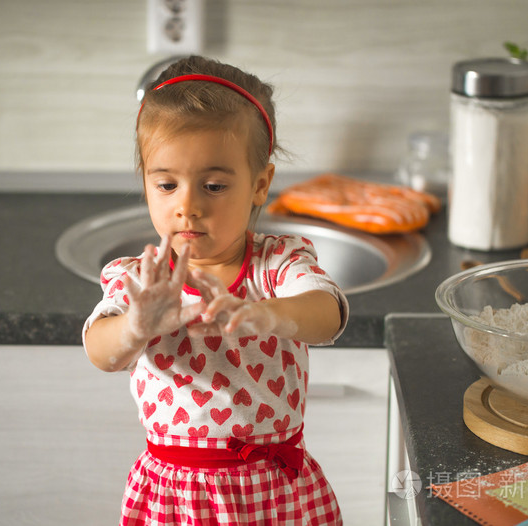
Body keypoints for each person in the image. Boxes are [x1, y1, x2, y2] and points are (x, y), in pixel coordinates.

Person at [83, 55, 349, 525]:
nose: (187, 206)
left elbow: (327, 313)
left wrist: (269, 315)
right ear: (145, 184)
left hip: (275, 493)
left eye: (212, 185)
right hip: (175, 498)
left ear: (259, 184)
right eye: (166, 184)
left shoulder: (275, 264)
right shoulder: (141, 279)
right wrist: (137, 326)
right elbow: (103, 351)